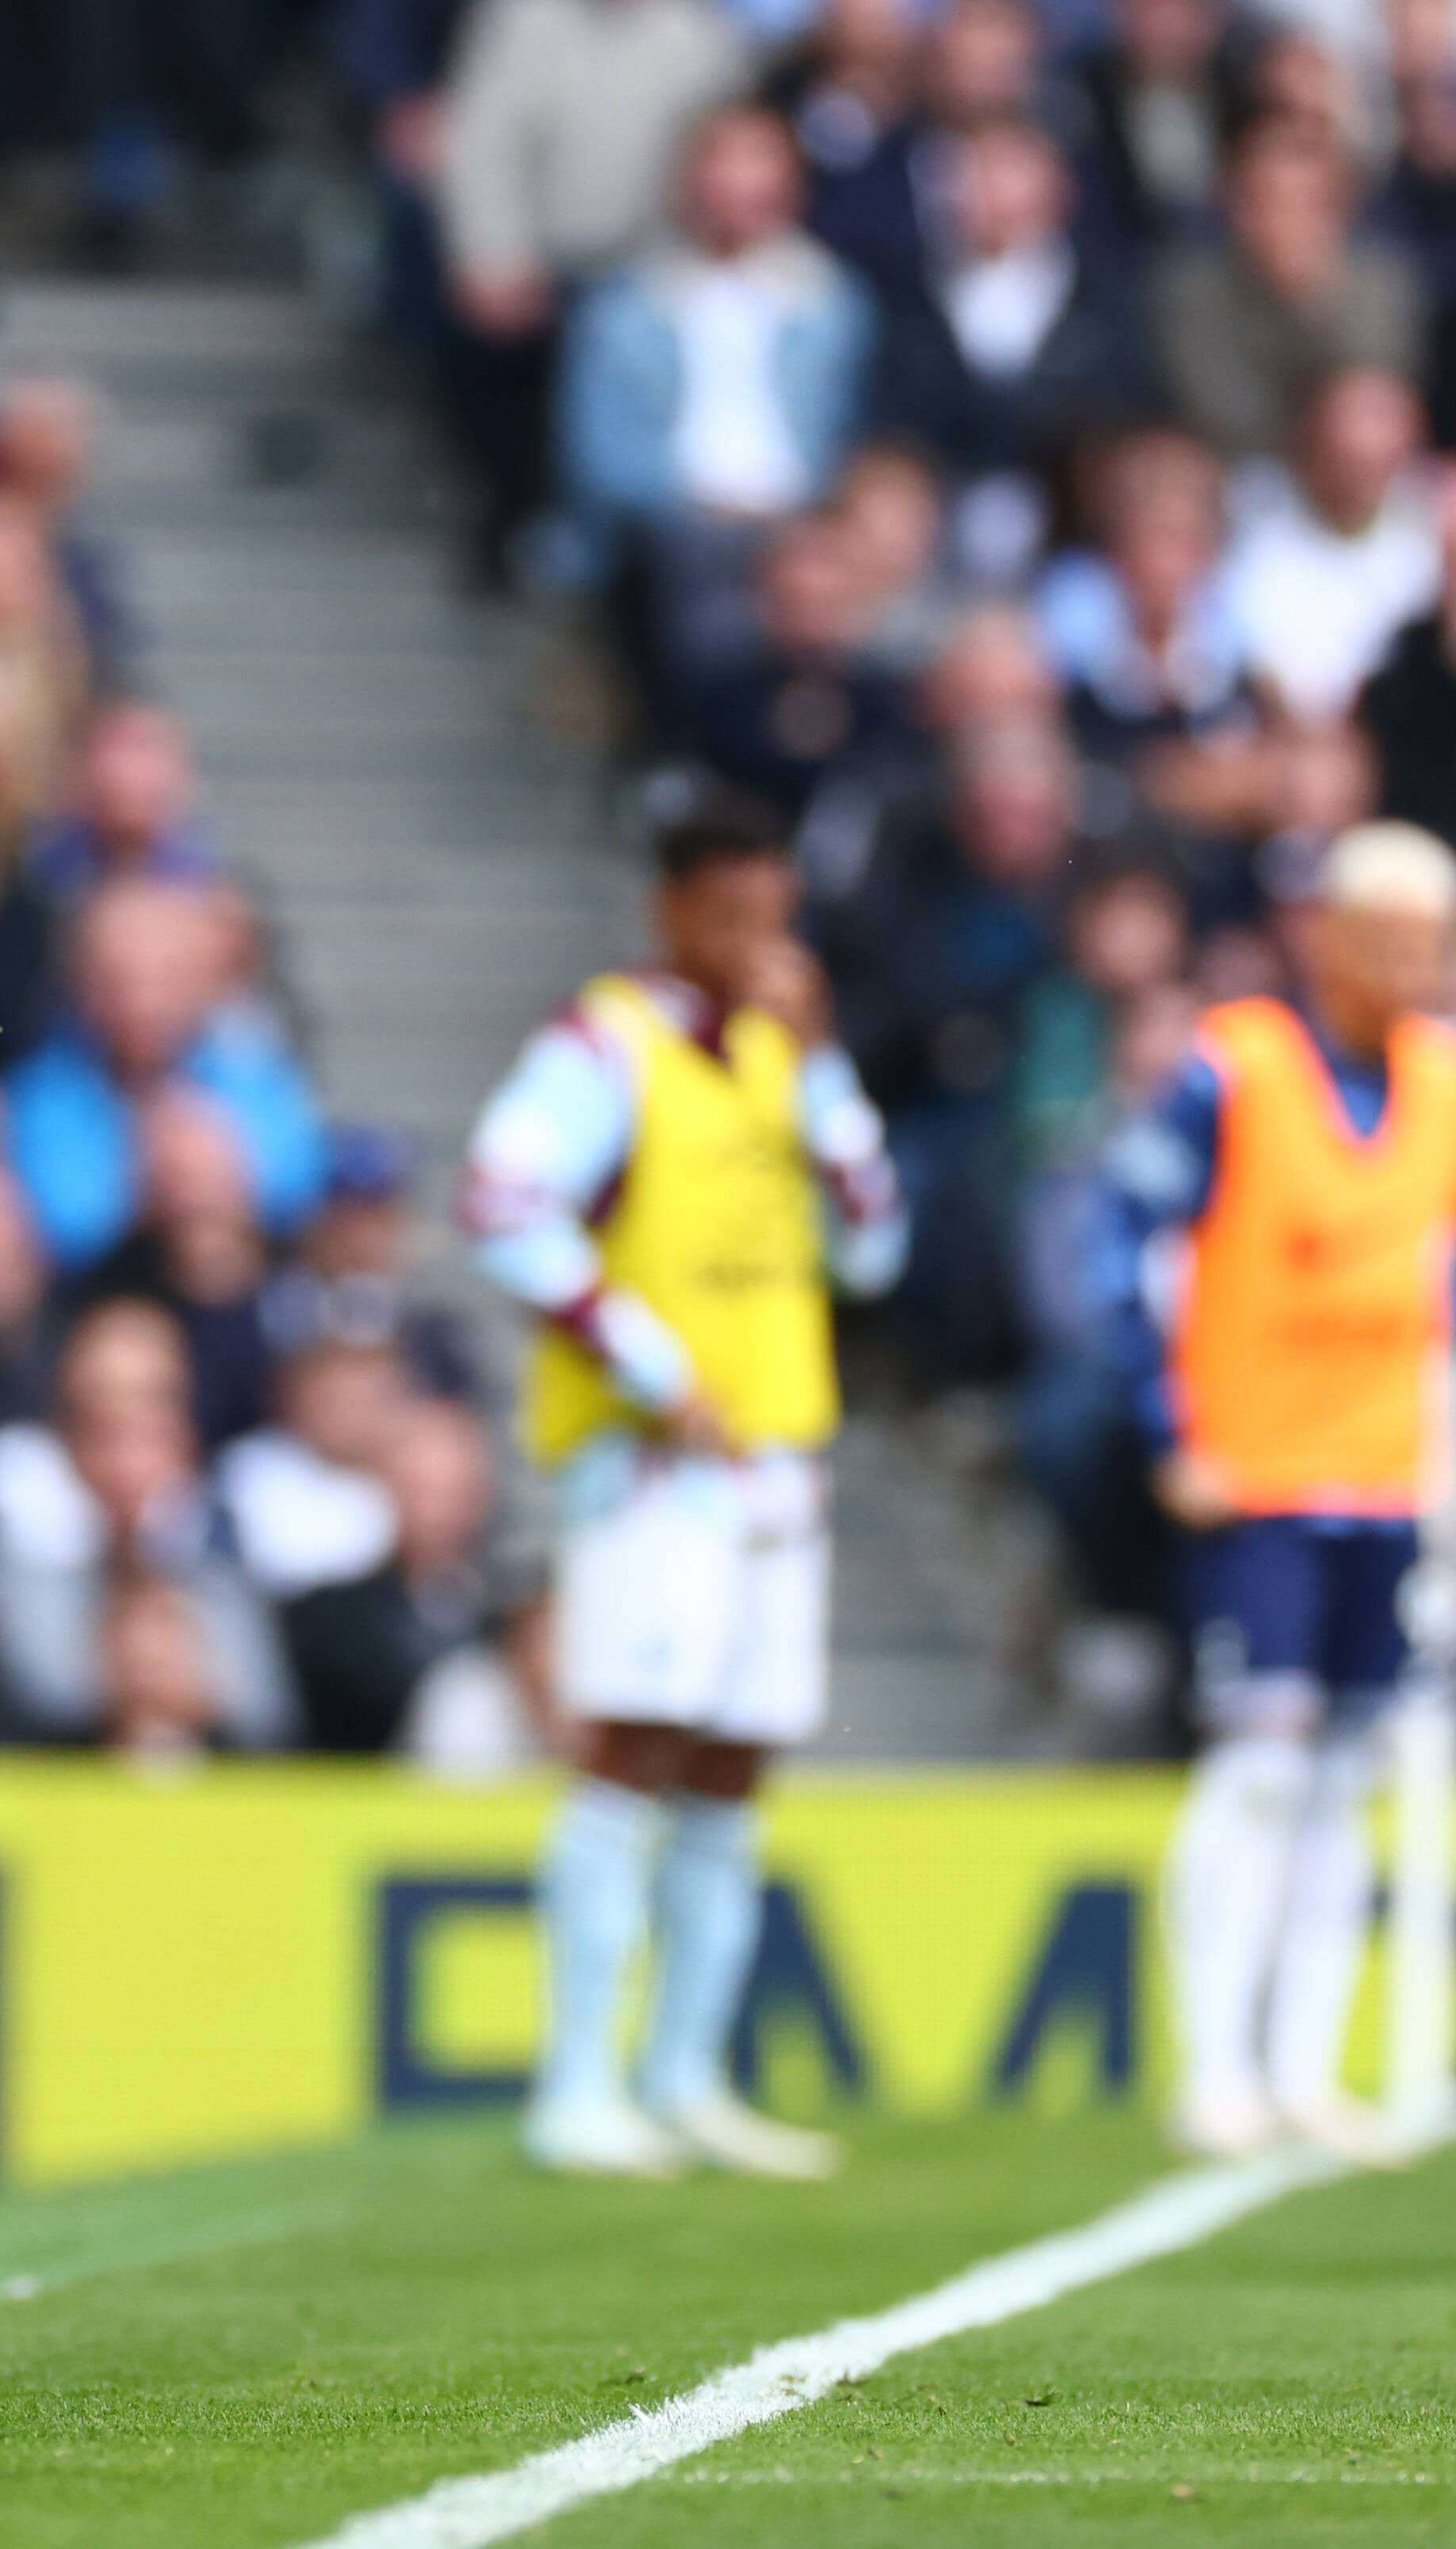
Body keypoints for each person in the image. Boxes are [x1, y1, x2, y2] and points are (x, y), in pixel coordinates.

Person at [463, 798, 906, 2180]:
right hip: (658, 1461)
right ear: (668, 910)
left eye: (768, 913)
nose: (750, 942)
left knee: (734, 1759)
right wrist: (655, 1366)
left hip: (775, 1452)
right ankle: (575, 2083)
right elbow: (500, 1203)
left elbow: (874, 1250)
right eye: (724, 914)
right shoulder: (603, 1044)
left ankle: (685, 2071)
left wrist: (825, 1068)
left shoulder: (787, 1057)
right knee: (634, 1739)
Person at [1103, 823, 1456, 2161]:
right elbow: (1123, 1237)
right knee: (1259, 1767)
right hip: (1258, 1476)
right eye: (1383, 940)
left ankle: (1303, 2063)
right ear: (1324, 936)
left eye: (1428, 947)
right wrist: (1171, 1424)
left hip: (1388, 1477)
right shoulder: (1236, 1067)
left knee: (1343, 1776)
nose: (1406, 969)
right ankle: (1213, 2062)